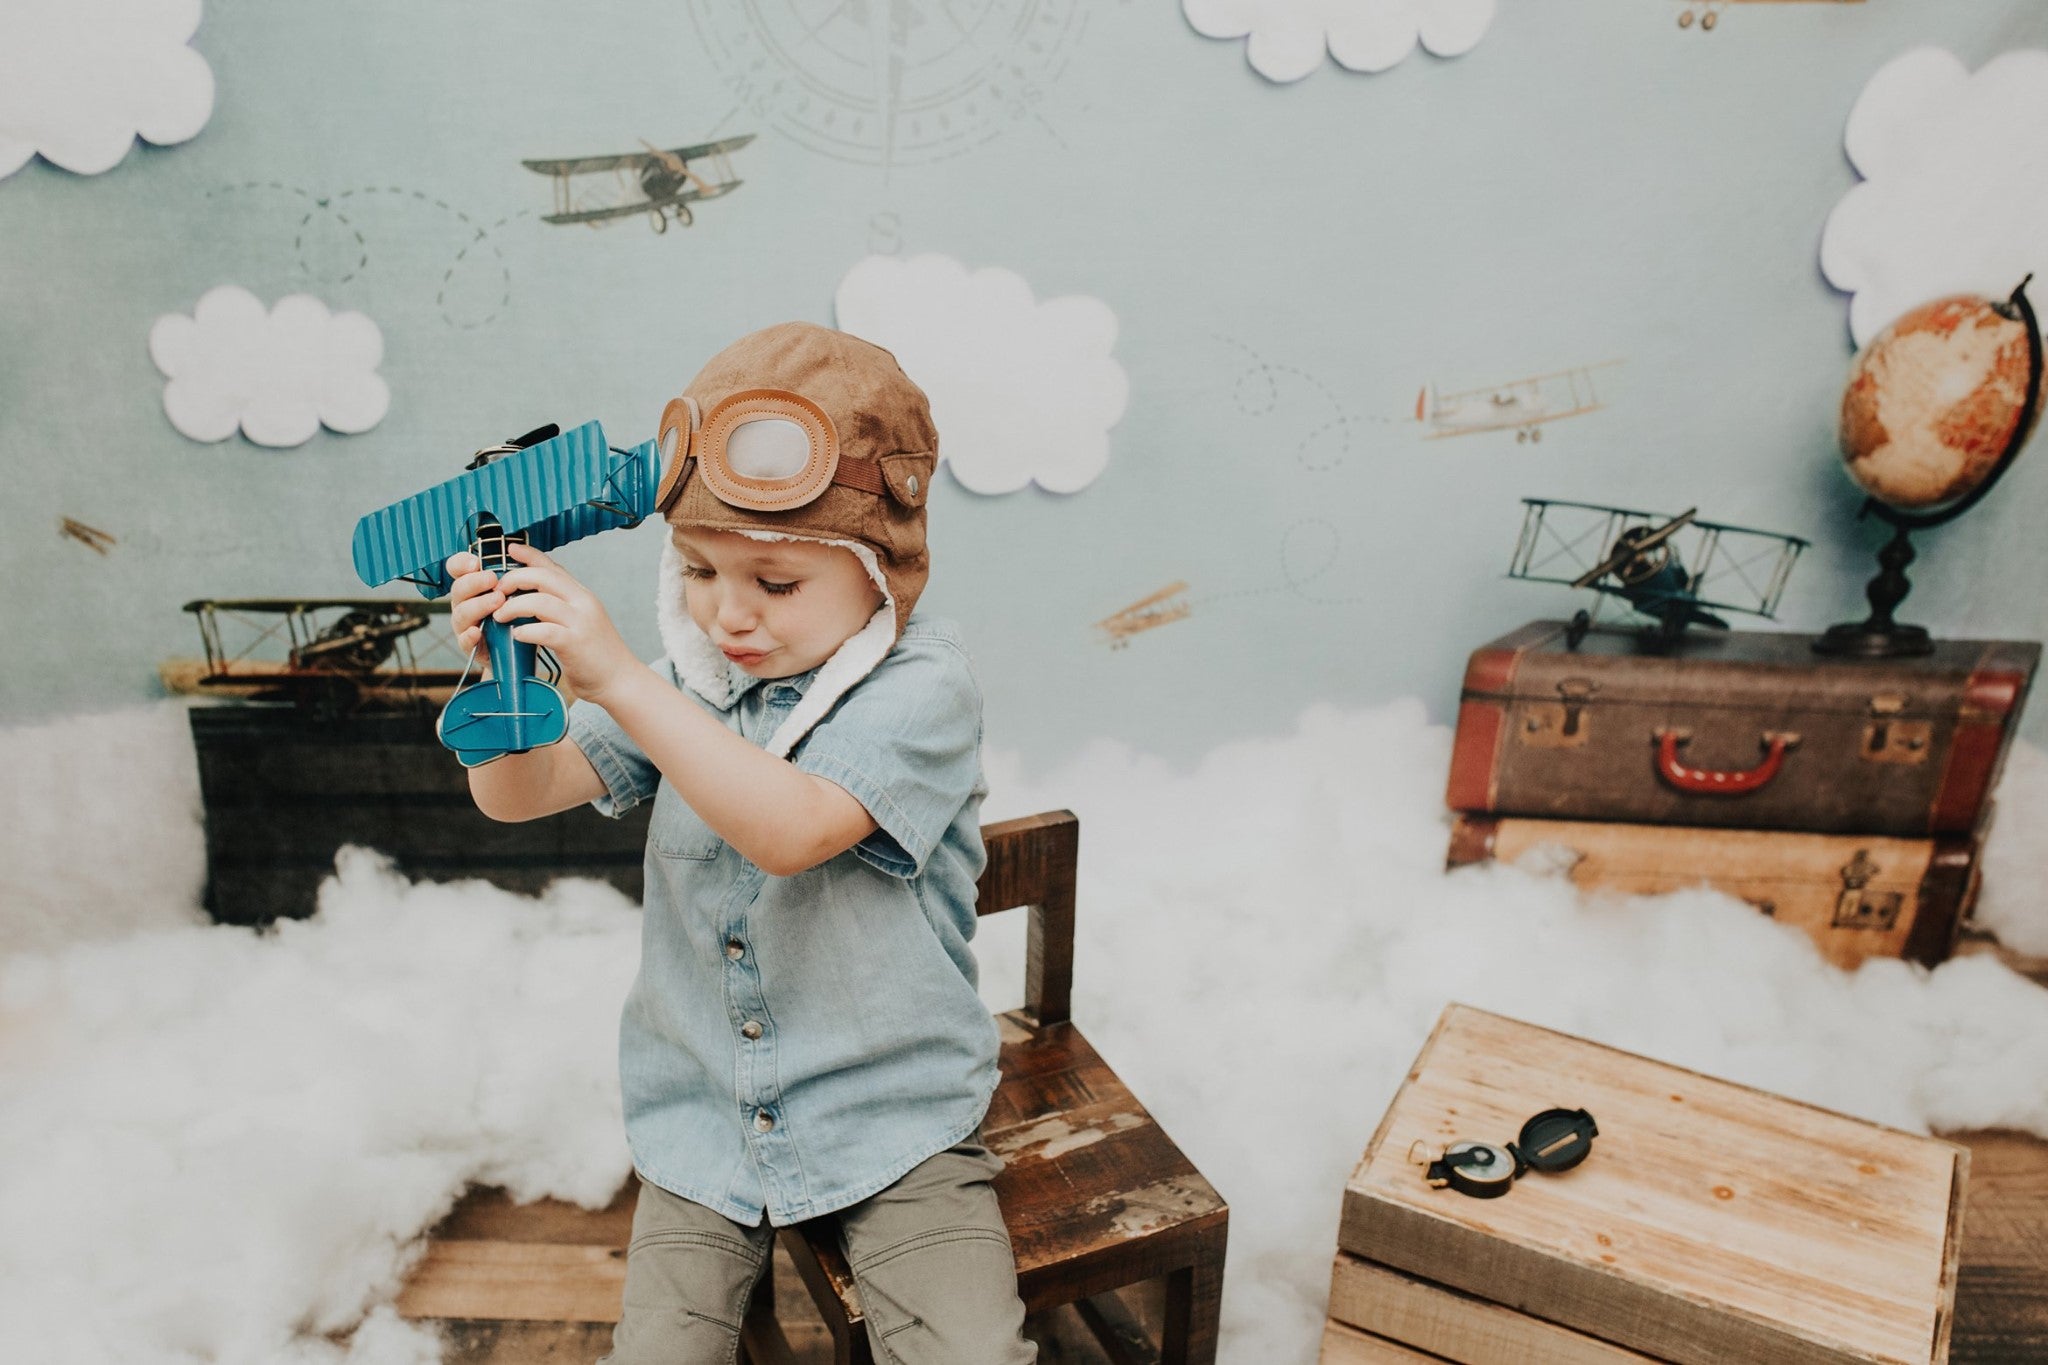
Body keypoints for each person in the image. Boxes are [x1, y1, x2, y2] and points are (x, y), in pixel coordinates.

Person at [441, 322, 1035, 1364]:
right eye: (699, 570)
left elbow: (791, 829)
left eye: (775, 582)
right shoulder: (691, 682)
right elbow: (520, 797)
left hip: (893, 1109)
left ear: (877, 570)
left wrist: (618, 677)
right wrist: (506, 680)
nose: (726, 615)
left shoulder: (923, 687)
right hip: (704, 1113)